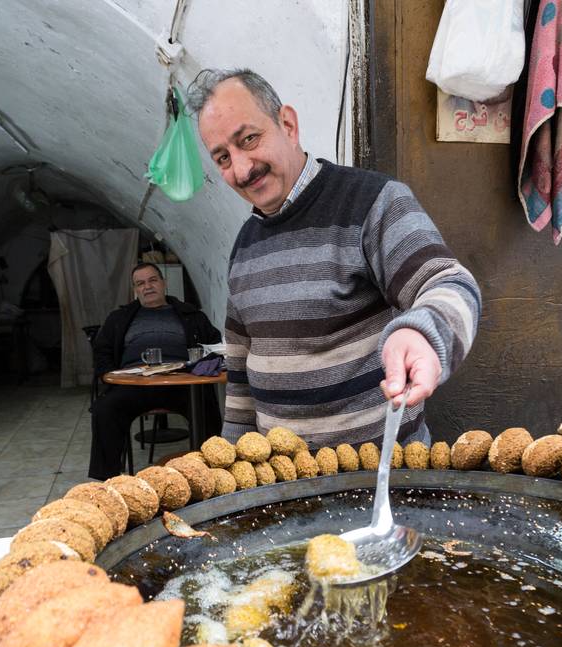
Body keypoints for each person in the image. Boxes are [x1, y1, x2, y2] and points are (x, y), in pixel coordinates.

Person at [188, 68, 481, 447]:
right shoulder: (245, 246)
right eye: (223, 158)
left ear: (288, 125)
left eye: (249, 139)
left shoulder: (373, 202)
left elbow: (448, 282)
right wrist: (233, 462)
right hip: (285, 489)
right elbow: (241, 375)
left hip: (383, 480)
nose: (242, 168)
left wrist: (423, 331)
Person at [88, 262, 221, 479]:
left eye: (152, 280)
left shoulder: (191, 315)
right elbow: (101, 350)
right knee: (105, 410)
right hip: (135, 385)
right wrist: (107, 373)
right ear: (135, 290)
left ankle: (212, 471)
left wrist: (203, 366)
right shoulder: (119, 318)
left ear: (163, 283)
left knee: (205, 404)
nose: (147, 287)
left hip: (182, 382)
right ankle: (108, 479)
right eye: (140, 283)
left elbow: (214, 345)